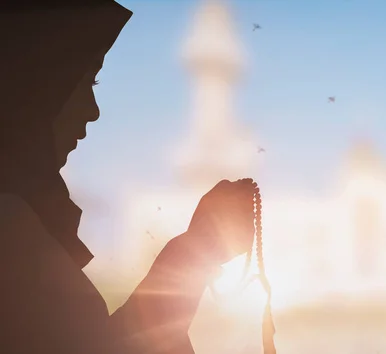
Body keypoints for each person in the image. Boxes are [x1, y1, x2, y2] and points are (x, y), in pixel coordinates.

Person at [0, 1, 256, 353]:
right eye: (85, 81)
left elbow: (95, 345)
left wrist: (194, 249)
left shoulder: (19, 223)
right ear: (39, 85)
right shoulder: (10, 232)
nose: (93, 110)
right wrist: (194, 251)